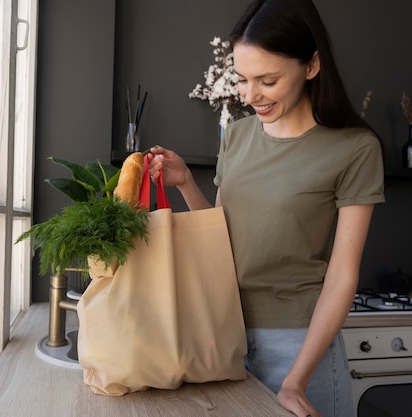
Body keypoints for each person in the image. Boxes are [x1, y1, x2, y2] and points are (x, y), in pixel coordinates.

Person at [147, 0, 385, 416]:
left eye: (268, 80)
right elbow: (220, 237)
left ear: (311, 66)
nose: (250, 95)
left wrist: (297, 380)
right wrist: (185, 181)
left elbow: (343, 275)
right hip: (225, 335)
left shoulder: (354, 149)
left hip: (298, 346)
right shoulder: (237, 136)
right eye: (241, 80)